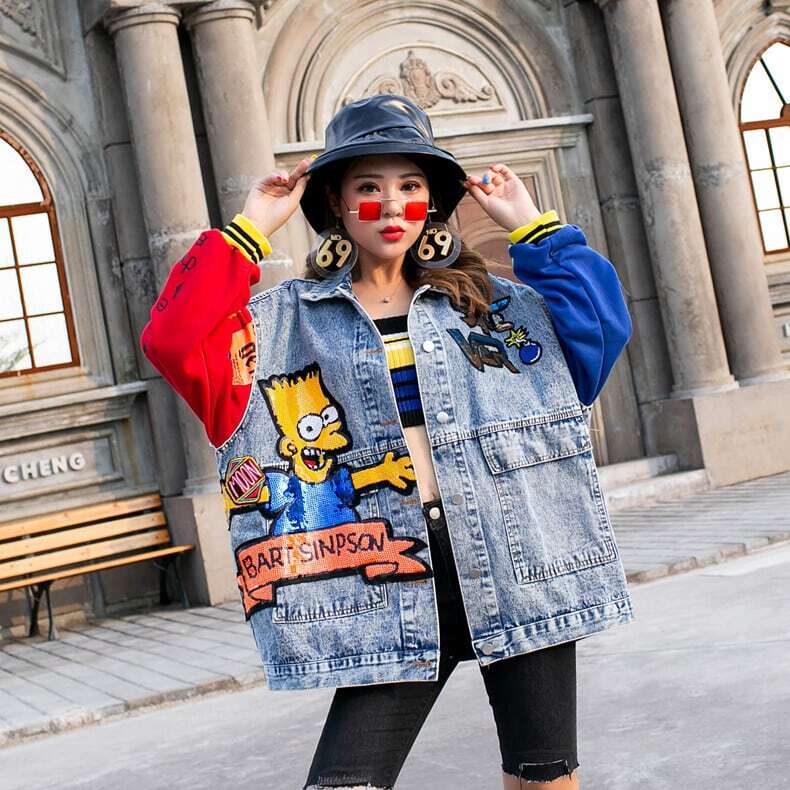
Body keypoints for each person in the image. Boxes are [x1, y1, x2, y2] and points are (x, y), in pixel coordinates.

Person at [141, 94, 635, 790]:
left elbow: (600, 329)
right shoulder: (280, 326)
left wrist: (533, 227)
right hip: (384, 577)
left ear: (432, 203)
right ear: (336, 205)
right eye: (368, 187)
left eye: (410, 185)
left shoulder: (496, 309)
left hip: (514, 559)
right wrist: (249, 231)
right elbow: (174, 339)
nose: (392, 204)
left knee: (543, 777)